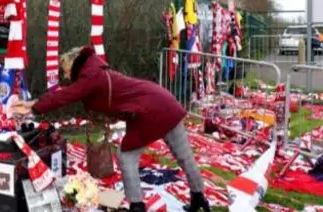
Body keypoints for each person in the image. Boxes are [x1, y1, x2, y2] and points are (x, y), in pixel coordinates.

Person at [11, 45, 211, 212]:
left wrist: (34, 106)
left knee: (126, 157)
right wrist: (35, 102)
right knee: (184, 156)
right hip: (164, 102)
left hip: (150, 110)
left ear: (73, 65)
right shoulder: (93, 70)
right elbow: (68, 92)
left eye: (64, 70)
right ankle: (199, 198)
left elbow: (65, 96)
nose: (64, 75)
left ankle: (137, 206)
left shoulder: (90, 76)